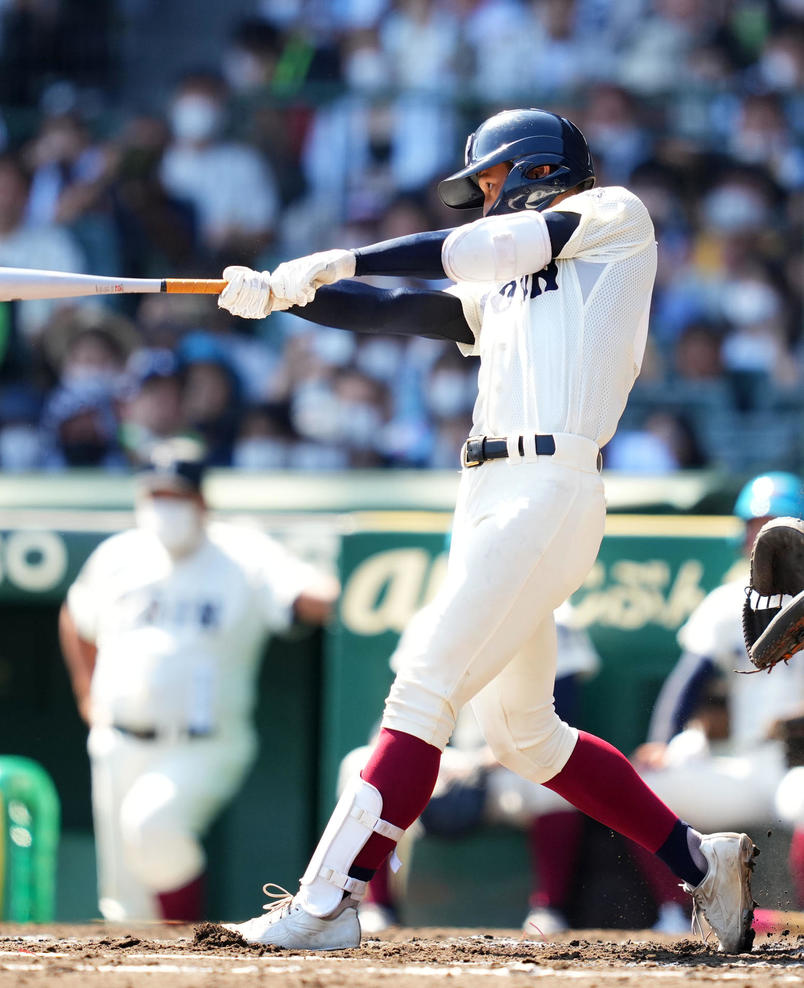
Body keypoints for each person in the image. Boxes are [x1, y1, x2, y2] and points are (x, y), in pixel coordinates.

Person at [215, 107, 756, 953]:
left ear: (536, 170)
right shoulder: (504, 289)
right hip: (490, 495)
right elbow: (400, 308)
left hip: (551, 483)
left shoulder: (614, 216)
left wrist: (337, 255)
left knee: (422, 689)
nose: (484, 201)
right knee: (524, 735)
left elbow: (473, 249)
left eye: (493, 181)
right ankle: (700, 860)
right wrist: (288, 294)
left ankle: (327, 900)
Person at [59, 443, 339, 922]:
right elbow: (75, 616)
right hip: (118, 739)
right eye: (156, 494)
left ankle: (193, 943)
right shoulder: (118, 556)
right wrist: (86, 691)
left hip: (204, 742)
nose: (166, 506)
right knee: (124, 905)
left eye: (178, 495)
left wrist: (353, 589)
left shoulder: (243, 553)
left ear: (202, 502)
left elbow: (309, 595)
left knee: (153, 825)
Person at [343, 603, 600, 937]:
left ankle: (549, 908)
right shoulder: (429, 618)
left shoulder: (553, 615)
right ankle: (375, 906)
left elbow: (561, 719)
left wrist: (480, 761)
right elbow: (404, 708)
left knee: (557, 778)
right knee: (358, 766)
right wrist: (437, 760)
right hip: (442, 759)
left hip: (509, 762)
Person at [633, 472, 804, 932]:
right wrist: (662, 740)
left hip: (801, 768)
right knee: (644, 787)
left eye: (778, 523)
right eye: (758, 524)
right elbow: (688, 680)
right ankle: (684, 914)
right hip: (753, 760)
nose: (767, 535)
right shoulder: (729, 601)